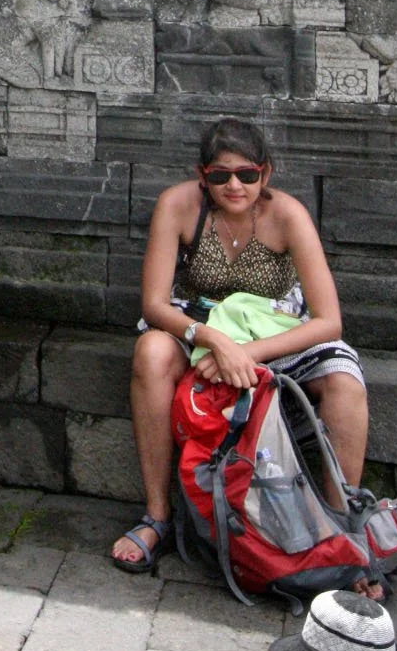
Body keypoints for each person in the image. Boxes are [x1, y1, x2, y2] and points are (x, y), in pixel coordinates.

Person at [111, 116, 370, 574]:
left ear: (265, 174)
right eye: (221, 176)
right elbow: (153, 304)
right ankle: (157, 515)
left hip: (274, 333)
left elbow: (329, 320)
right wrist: (211, 338)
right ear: (201, 175)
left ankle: (342, 530)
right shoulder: (178, 205)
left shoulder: (287, 215)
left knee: (345, 380)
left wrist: (243, 353)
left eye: (247, 175)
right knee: (150, 353)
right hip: (197, 324)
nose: (235, 185)